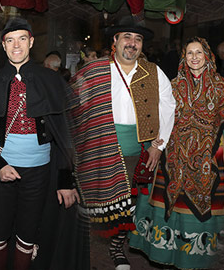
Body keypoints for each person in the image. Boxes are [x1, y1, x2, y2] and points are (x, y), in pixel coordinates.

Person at [0, 18, 83, 270]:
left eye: (21, 39)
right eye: (10, 40)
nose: (16, 45)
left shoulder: (50, 81)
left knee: (29, 233)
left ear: (31, 42)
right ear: (3, 45)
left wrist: (66, 181)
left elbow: (65, 135)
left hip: (40, 173)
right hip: (0, 172)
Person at [70, 17, 176, 270]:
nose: (132, 43)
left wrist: (157, 146)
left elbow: (168, 108)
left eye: (138, 39)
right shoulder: (94, 70)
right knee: (93, 202)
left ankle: (117, 249)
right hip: (96, 148)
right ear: (115, 41)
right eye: (127, 37)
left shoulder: (153, 72)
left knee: (126, 204)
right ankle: (85, 250)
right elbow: (73, 107)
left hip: (135, 150)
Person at [131, 38, 224, 268]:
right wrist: (155, 145)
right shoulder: (172, 85)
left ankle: (204, 252)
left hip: (213, 152)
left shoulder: (220, 85)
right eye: (190, 53)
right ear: (184, 57)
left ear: (207, 56)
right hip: (174, 154)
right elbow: (161, 119)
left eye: (199, 53)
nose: (194, 57)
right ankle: (172, 249)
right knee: (170, 202)